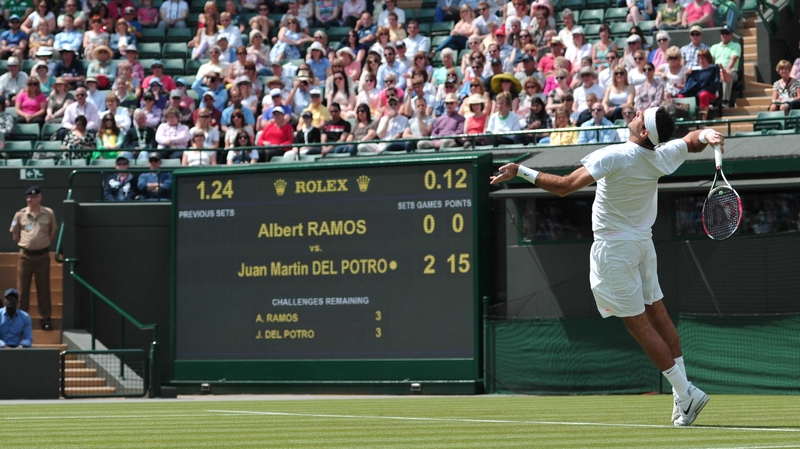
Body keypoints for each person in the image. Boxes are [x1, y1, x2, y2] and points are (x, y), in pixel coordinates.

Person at [490, 107, 724, 428]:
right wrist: (706, 135)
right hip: (643, 246)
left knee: (637, 325)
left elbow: (565, 186)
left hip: (615, 250)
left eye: (642, 115)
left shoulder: (615, 155)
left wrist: (521, 171)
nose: (637, 112)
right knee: (656, 312)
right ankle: (682, 397)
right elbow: (690, 142)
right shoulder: (662, 156)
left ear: (643, 132)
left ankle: (685, 392)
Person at [10, 186, 57, 331]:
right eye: (28, 197)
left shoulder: (48, 213)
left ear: (39, 198)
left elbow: (52, 232)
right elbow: (15, 236)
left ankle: (45, 319)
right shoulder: (20, 214)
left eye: (33, 197)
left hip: (42, 256)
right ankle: (21, 320)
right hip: (25, 256)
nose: (30, 200)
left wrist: (41, 244)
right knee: (22, 289)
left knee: (43, 288)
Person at [678, 49, 721, 120]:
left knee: (703, 94)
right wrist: (687, 74)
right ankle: (686, 118)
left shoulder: (714, 69)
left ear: (708, 58)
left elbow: (715, 84)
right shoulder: (694, 69)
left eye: (703, 58)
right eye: (699, 59)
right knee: (681, 95)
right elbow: (688, 85)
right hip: (695, 92)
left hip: (710, 93)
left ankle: (703, 120)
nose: (701, 61)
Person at [710, 26, 741, 107]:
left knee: (726, 75)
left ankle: (725, 101)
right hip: (717, 71)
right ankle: (712, 101)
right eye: (722, 33)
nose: (724, 35)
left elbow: (733, 58)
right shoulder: (714, 47)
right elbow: (710, 60)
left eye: (727, 33)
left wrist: (727, 69)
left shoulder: (736, 45)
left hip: (732, 71)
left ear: (731, 35)